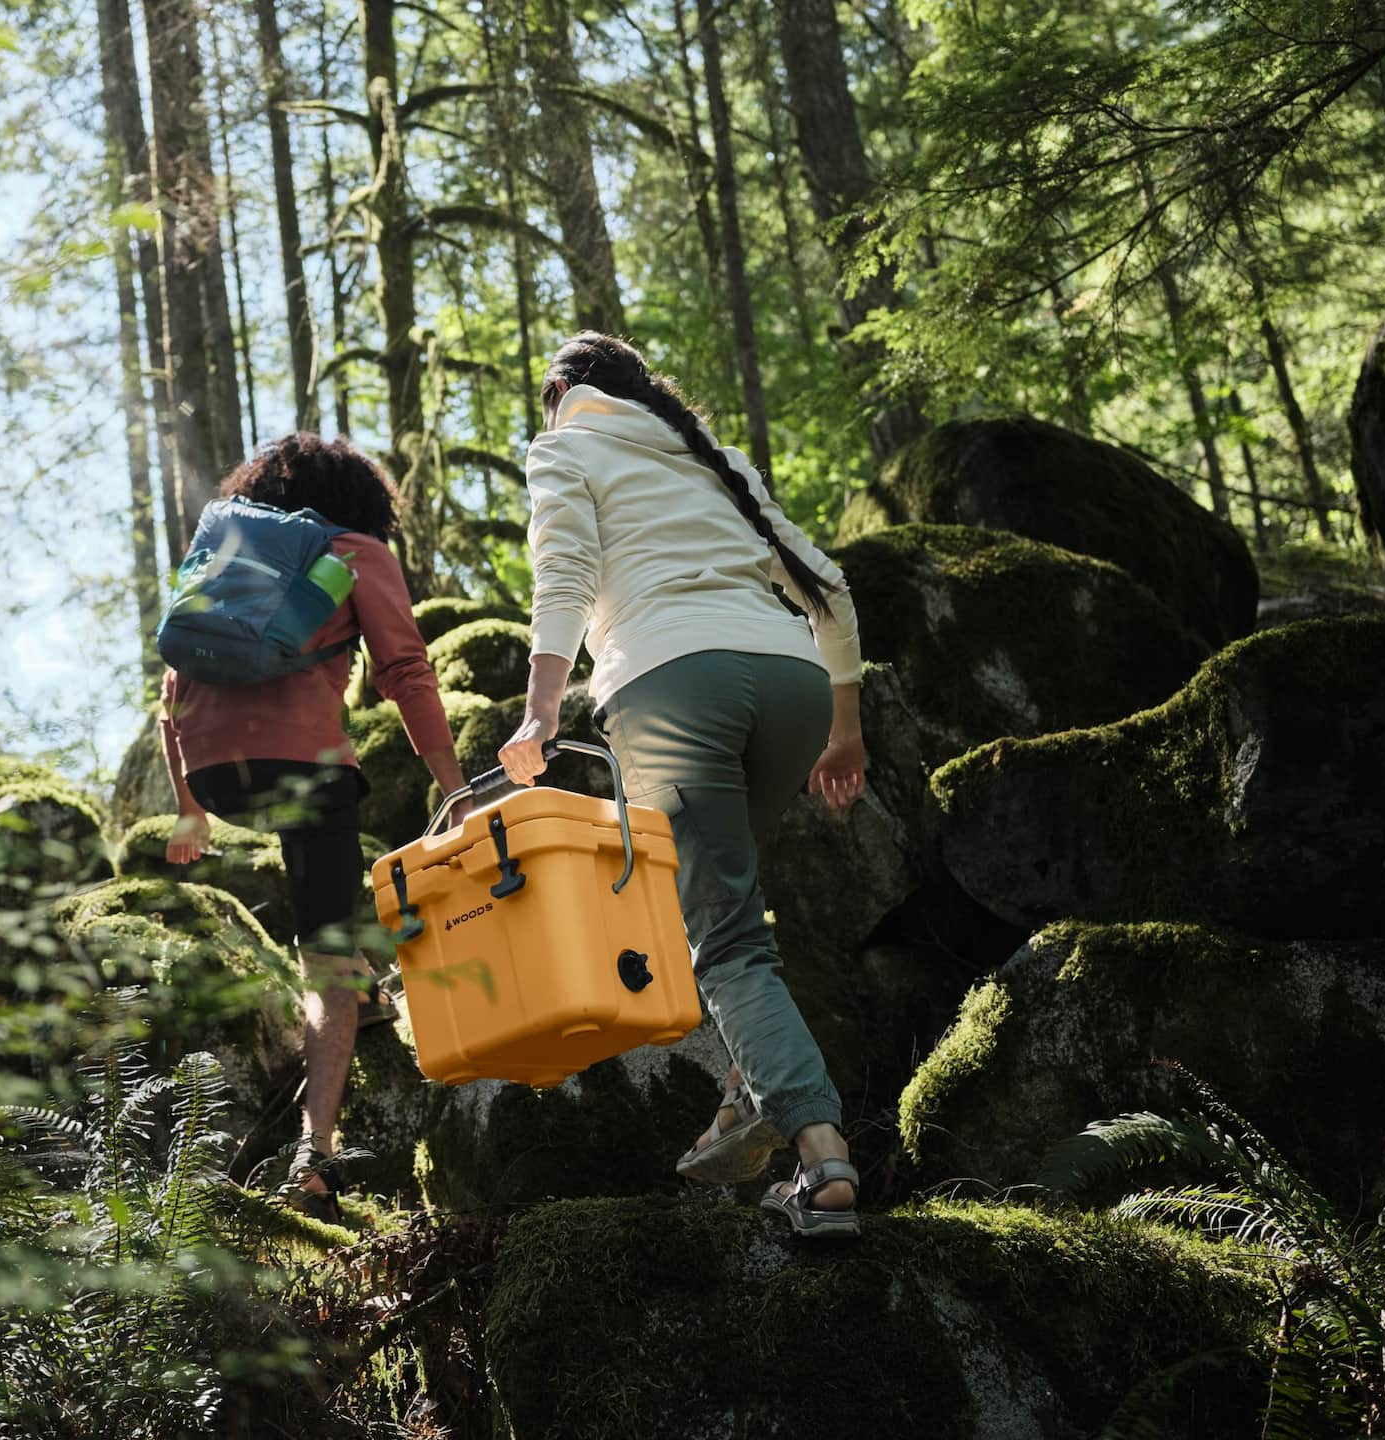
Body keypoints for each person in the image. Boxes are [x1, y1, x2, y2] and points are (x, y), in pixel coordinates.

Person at [496, 333, 870, 1239]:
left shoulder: (564, 447)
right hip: (791, 688)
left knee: (729, 941)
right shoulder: (712, 458)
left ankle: (823, 1164)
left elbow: (564, 577)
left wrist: (541, 710)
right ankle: (747, 1088)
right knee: (719, 894)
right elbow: (827, 584)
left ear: (559, 396)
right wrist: (845, 728)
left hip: (671, 685)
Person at [159, 432, 470, 1222]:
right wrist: (456, 791)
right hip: (303, 768)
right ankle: (314, 1159)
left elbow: (172, 689)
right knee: (322, 957)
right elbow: (405, 672)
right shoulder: (354, 549)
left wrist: (191, 809)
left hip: (212, 773)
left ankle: (366, 988)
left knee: (329, 905)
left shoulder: (231, 552)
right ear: (362, 499)